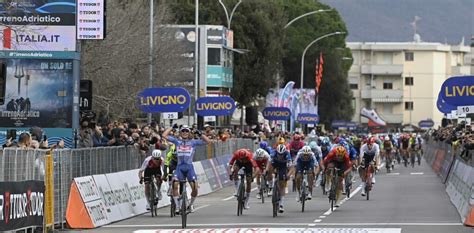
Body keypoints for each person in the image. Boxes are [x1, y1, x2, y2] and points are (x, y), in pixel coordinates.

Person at [163, 124, 211, 214]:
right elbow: (164, 136)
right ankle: (177, 206)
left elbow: (208, 141)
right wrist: (171, 128)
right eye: (183, 131)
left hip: (189, 167)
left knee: (195, 188)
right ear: (180, 132)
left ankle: (191, 204)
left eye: (186, 131)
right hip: (179, 167)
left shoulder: (193, 142)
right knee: (174, 184)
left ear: (189, 133)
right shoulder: (177, 141)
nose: (185, 132)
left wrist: (200, 134)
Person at [268, 144, 292, 213]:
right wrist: (267, 171)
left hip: (283, 166)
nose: (280, 156)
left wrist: (288, 175)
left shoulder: (287, 154)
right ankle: (270, 185)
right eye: (279, 154)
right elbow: (269, 163)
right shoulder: (273, 153)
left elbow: (291, 167)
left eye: (282, 155)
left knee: (282, 183)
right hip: (275, 163)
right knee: (269, 170)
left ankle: (281, 203)